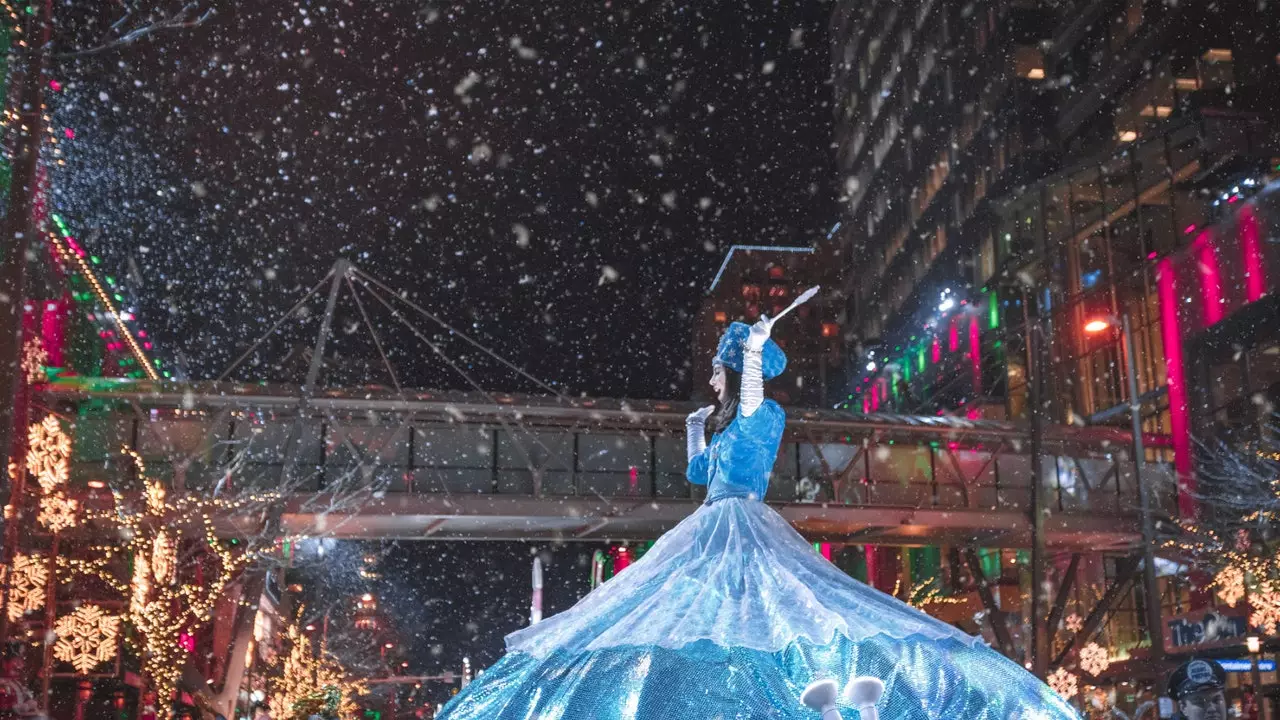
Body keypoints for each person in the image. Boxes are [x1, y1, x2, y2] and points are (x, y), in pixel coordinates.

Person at [435, 315, 1078, 718]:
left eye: (721, 369)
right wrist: (691, 433)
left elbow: (748, 403)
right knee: (704, 620)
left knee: (772, 615)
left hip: (743, 523)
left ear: (734, 371)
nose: (713, 380)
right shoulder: (721, 428)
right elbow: (697, 476)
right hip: (711, 523)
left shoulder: (759, 414)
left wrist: (754, 352)